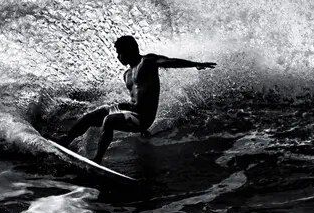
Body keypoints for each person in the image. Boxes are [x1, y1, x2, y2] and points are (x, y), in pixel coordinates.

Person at [59, 35, 216, 163]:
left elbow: (170, 61)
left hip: (142, 118)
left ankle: (97, 160)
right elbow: (136, 100)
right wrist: (123, 105)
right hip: (131, 112)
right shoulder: (127, 75)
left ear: (128, 50)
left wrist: (195, 64)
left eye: (119, 52)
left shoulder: (147, 62)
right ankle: (65, 140)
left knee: (109, 120)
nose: (117, 56)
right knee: (92, 116)